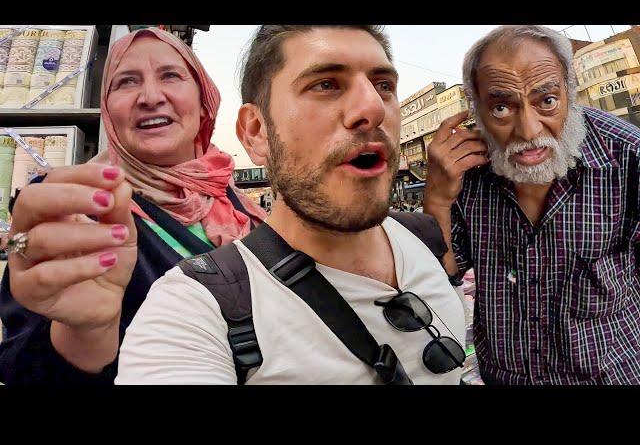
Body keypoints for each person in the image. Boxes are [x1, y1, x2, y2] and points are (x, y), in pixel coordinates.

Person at [115, 25, 466, 385]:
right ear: (256, 131)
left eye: (383, 85)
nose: (373, 108)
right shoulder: (192, 311)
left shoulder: (421, 236)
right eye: (326, 84)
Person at [0, 28, 266, 385]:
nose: (151, 96)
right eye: (126, 82)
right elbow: (23, 365)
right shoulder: (76, 204)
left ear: (205, 101)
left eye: (171, 75)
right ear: (108, 110)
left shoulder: (240, 204)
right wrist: (84, 337)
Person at [424, 25, 640, 384]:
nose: (528, 130)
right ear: (475, 108)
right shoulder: (464, 173)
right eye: (502, 107)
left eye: (547, 101)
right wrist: (437, 198)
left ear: (570, 92)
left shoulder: (628, 158)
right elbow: (443, 277)